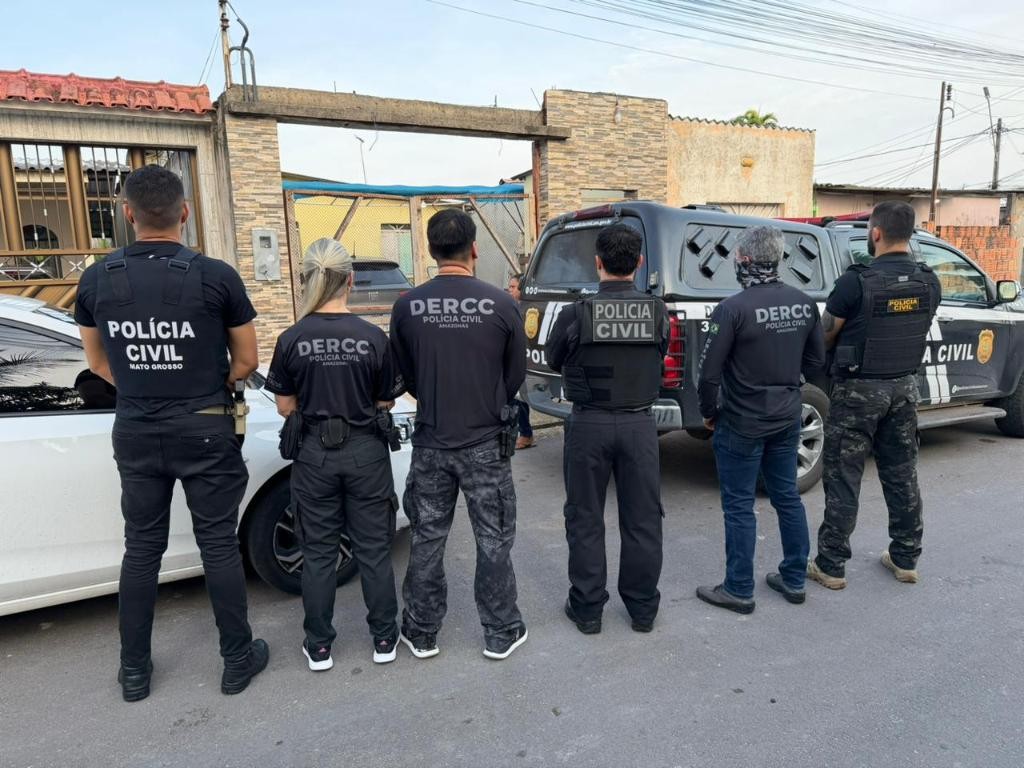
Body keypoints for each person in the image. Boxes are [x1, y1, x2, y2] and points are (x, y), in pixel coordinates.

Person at [75, 165, 267, 701]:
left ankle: (134, 672)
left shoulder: (96, 279)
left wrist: (144, 383)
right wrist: (200, 386)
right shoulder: (216, 276)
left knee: (141, 549)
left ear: (127, 213)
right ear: (185, 212)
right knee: (218, 545)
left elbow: (98, 364)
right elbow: (247, 361)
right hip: (205, 427)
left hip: (136, 428)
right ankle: (236, 661)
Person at [389, 209, 528, 661]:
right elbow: (514, 375)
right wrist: (487, 398)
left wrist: (434, 394)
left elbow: (404, 374)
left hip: (432, 441)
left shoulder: (407, 306)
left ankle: (421, 631)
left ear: (431, 250)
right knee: (494, 539)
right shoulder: (502, 304)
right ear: (474, 249)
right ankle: (500, 631)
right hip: (487, 442)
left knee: (427, 537)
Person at [265, 239, 403, 672]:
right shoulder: (372, 337)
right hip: (366, 453)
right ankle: (385, 639)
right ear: (351, 280)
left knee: (319, 553)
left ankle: (320, 646)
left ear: (307, 278)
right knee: (374, 550)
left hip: (314, 456)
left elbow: (284, 405)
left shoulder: (291, 338)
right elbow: (386, 400)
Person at [808, 201, 941, 590]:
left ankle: (831, 565)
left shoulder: (855, 281)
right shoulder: (929, 281)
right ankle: (905, 559)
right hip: (904, 388)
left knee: (843, 475)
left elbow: (825, 336)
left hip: (858, 392)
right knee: (902, 473)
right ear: (909, 234)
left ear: (876, 233)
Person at [695, 226, 826, 614]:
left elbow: (708, 374)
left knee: (739, 505)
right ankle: (795, 579)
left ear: (745, 260)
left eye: (737, 257)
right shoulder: (804, 304)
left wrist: (708, 413)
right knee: (787, 496)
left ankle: (738, 588)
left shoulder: (732, 309)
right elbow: (816, 363)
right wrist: (789, 382)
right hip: (787, 417)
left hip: (741, 421)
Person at [546, 223, 669, 634]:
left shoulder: (575, 312)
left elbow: (554, 360)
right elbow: (661, 352)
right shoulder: (657, 311)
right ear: (639, 262)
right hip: (639, 425)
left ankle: (587, 610)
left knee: (584, 518)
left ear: (597, 262)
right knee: (643, 519)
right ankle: (642, 611)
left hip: (589, 425)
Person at [507, 272, 534, 449]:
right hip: (514, 358)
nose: (509, 290)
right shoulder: (512, 307)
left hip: (526, 360)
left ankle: (525, 434)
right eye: (509, 287)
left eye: (513, 287)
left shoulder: (529, 310)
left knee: (519, 398)